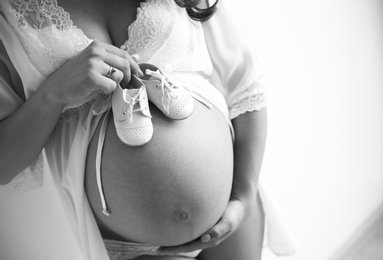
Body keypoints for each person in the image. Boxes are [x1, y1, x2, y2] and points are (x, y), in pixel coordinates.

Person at [0, 0, 270, 259]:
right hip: (103, 240)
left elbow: (246, 90)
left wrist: (243, 198)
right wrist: (53, 93)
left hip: (232, 214)